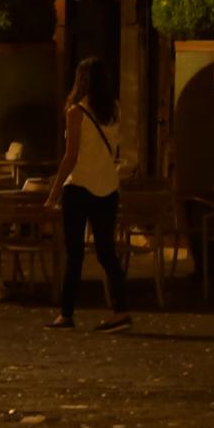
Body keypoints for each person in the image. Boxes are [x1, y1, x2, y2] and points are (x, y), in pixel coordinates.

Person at [44, 57, 131, 333]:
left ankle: (66, 314)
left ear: (80, 81)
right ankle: (120, 311)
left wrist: (53, 193)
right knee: (107, 252)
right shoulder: (114, 110)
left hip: (79, 187)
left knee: (75, 254)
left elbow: (70, 158)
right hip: (107, 187)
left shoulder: (75, 112)